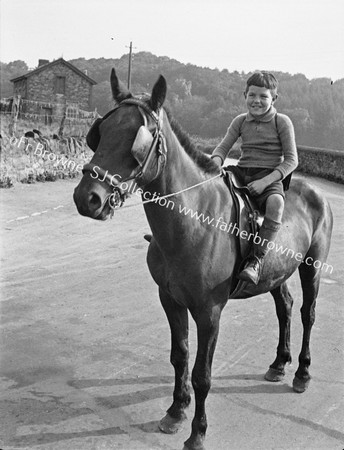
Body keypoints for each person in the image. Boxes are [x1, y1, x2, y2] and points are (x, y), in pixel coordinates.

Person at [211, 71, 298, 284]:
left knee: (276, 204)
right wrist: (214, 162)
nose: (256, 101)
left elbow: (291, 160)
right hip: (241, 172)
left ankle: (256, 260)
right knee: (209, 191)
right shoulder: (240, 121)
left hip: (268, 177)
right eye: (251, 95)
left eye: (263, 96)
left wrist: (265, 182)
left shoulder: (282, 122)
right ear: (245, 95)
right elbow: (223, 147)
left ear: (274, 98)